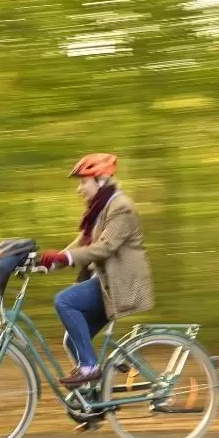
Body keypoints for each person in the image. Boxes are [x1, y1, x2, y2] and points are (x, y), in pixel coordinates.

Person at [38, 153, 155, 387]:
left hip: (120, 284)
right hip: (105, 281)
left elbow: (105, 247)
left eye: (83, 182)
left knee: (65, 301)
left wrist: (65, 257)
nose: (79, 189)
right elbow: (84, 241)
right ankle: (93, 406)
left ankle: (90, 368)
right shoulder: (101, 208)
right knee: (73, 341)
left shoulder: (121, 207)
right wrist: (48, 262)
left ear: (100, 181)